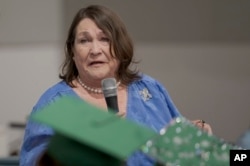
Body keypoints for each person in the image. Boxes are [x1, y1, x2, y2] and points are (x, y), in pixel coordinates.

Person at [20, 4, 212, 166]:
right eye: (84, 41)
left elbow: (181, 151)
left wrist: (195, 137)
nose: (95, 50)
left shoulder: (149, 89)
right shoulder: (54, 104)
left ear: (119, 46)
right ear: (72, 51)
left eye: (104, 39)